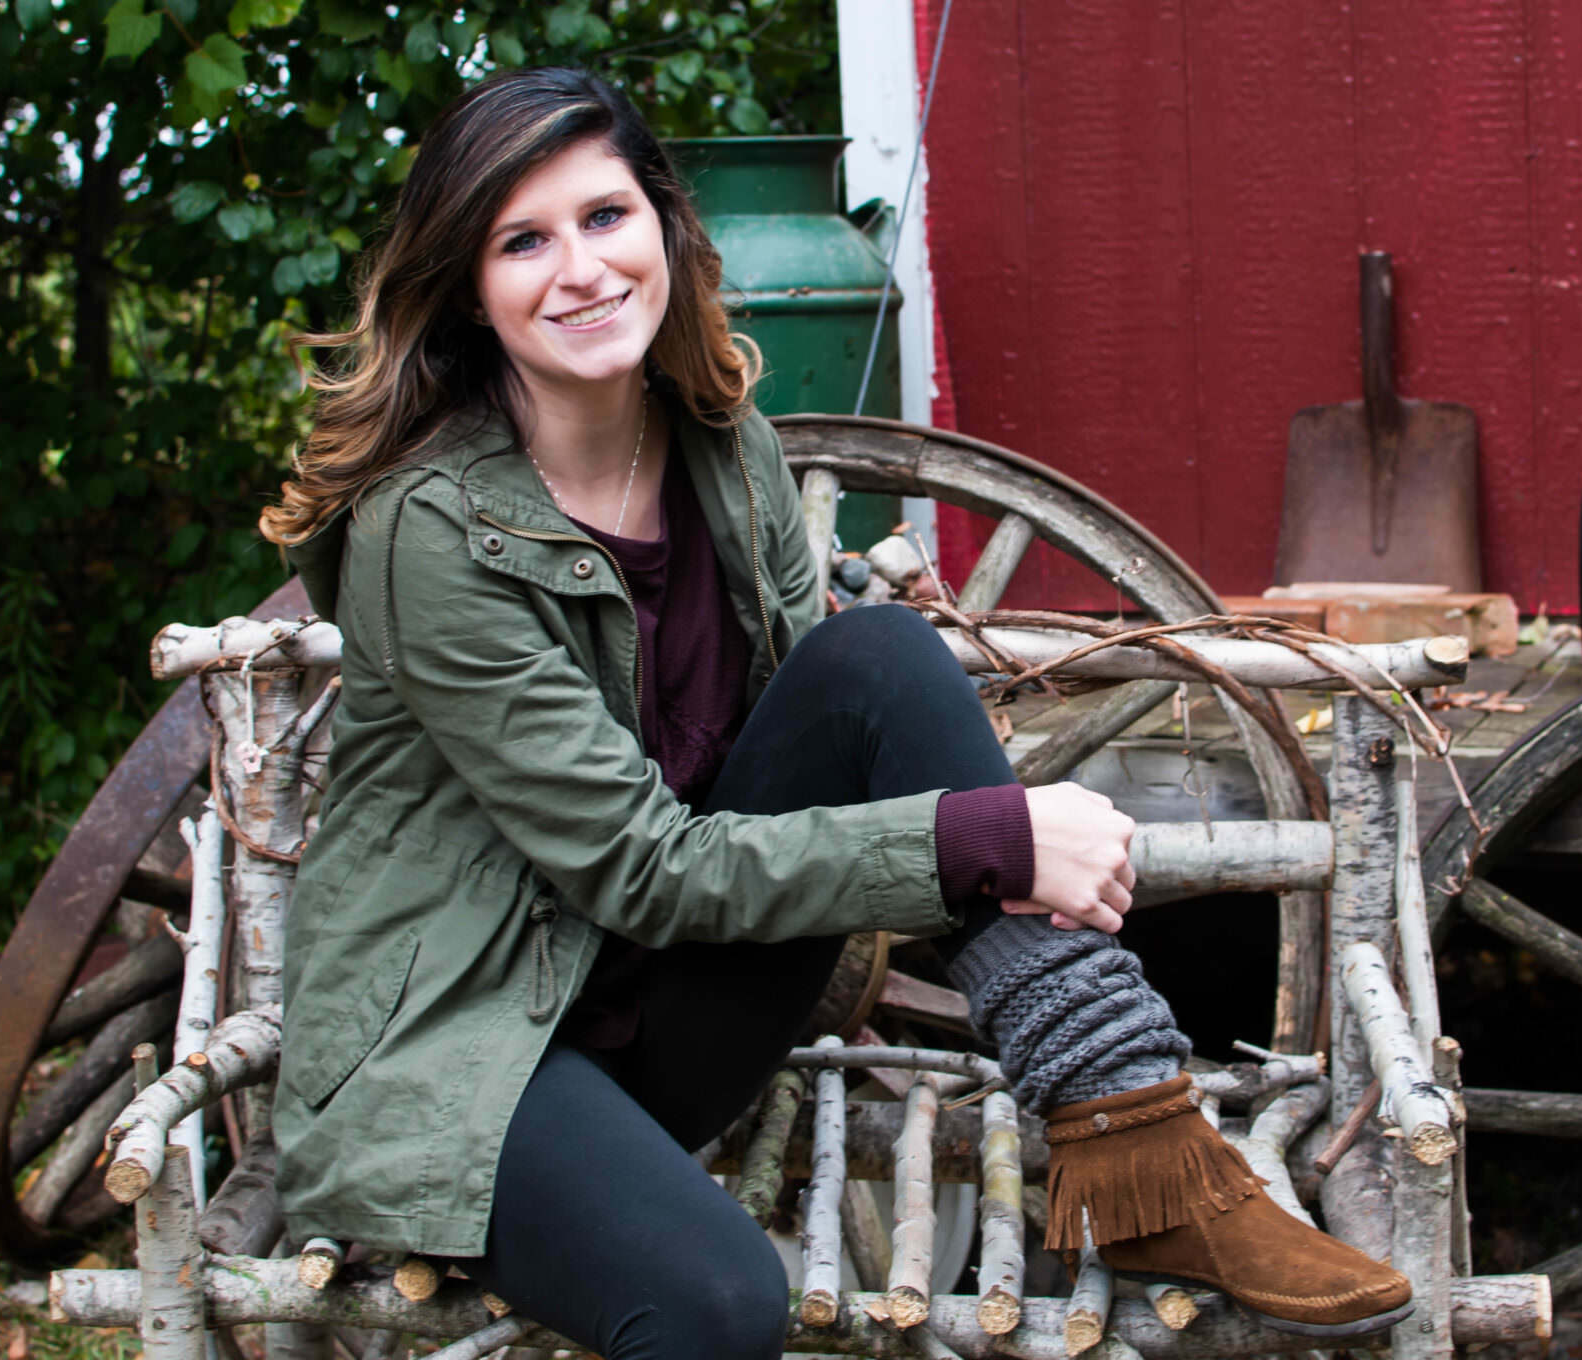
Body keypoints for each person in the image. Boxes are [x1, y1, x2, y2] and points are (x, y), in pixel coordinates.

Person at [258, 66, 1410, 1359]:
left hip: (659, 1015)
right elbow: (643, 869)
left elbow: (844, 744)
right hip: (461, 1059)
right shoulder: (433, 533)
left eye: (604, 217)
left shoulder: (722, 446)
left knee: (877, 662)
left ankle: (1144, 1158)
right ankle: (1140, 1155)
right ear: (470, 289)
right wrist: (994, 838)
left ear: (666, 228)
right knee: (718, 1308)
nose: (578, 269)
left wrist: (966, 839)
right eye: (522, 242)